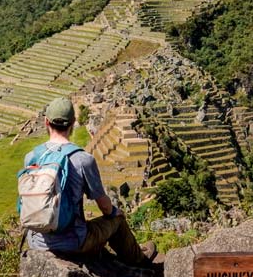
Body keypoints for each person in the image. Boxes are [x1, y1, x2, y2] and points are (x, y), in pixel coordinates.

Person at [25, 96, 156, 266]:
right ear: (73, 123)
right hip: (73, 242)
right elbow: (105, 206)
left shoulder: (31, 157)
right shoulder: (82, 159)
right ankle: (139, 261)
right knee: (117, 220)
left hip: (36, 240)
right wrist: (115, 212)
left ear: (46, 122)